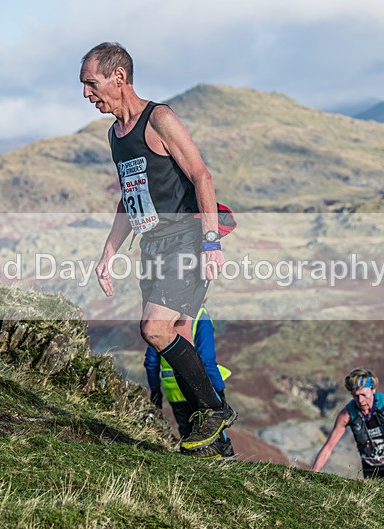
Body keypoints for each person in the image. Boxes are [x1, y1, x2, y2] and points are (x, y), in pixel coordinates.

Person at [80, 42, 236, 458]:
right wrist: (108, 253)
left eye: (91, 84)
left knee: (154, 330)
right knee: (177, 335)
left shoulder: (160, 119)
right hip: (152, 245)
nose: (86, 95)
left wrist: (209, 241)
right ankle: (217, 447)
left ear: (119, 77)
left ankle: (215, 410)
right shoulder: (116, 135)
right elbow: (129, 200)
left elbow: (201, 176)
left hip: (186, 239)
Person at [145, 304, 235, 458]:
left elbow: (151, 362)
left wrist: (155, 390)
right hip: (199, 389)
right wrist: (218, 390)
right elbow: (207, 361)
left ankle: (193, 467)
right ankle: (224, 459)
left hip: (173, 391)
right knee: (211, 431)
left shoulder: (164, 315)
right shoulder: (200, 317)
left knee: (188, 435)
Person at [311, 368, 384, 480]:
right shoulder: (346, 415)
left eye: (364, 394)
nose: (361, 400)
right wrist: (313, 473)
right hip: (372, 470)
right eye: (356, 396)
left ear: (373, 390)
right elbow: (328, 447)